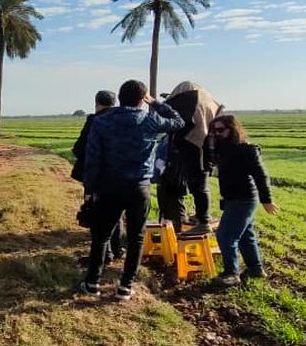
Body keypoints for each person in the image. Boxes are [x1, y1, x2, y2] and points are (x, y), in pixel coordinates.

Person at [81, 80, 184, 298]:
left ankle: (92, 283)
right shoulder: (150, 119)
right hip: (139, 187)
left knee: (102, 237)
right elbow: (178, 121)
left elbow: (92, 158)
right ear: (142, 99)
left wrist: (90, 187)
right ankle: (125, 286)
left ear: (119, 97)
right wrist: (155, 103)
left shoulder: (102, 121)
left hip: (109, 186)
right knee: (136, 237)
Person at [208, 114, 278, 287]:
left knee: (225, 235)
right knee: (246, 235)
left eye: (220, 130)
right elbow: (208, 161)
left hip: (244, 199)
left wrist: (266, 199)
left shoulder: (247, 149)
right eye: (213, 131)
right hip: (232, 198)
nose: (217, 134)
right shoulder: (221, 148)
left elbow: (261, 175)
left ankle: (231, 273)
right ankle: (255, 269)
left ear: (233, 130)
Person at [158, 81, 223, 238]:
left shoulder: (188, 99)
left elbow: (172, 120)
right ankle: (201, 217)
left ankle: (204, 222)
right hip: (207, 145)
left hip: (194, 145)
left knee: (198, 185)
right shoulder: (208, 100)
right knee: (199, 183)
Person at [71, 89, 123, 263]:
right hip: (121, 175)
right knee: (116, 212)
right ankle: (117, 249)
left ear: (96, 103)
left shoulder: (95, 120)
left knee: (97, 215)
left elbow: (80, 148)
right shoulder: (123, 120)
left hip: (97, 175)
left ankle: (104, 255)